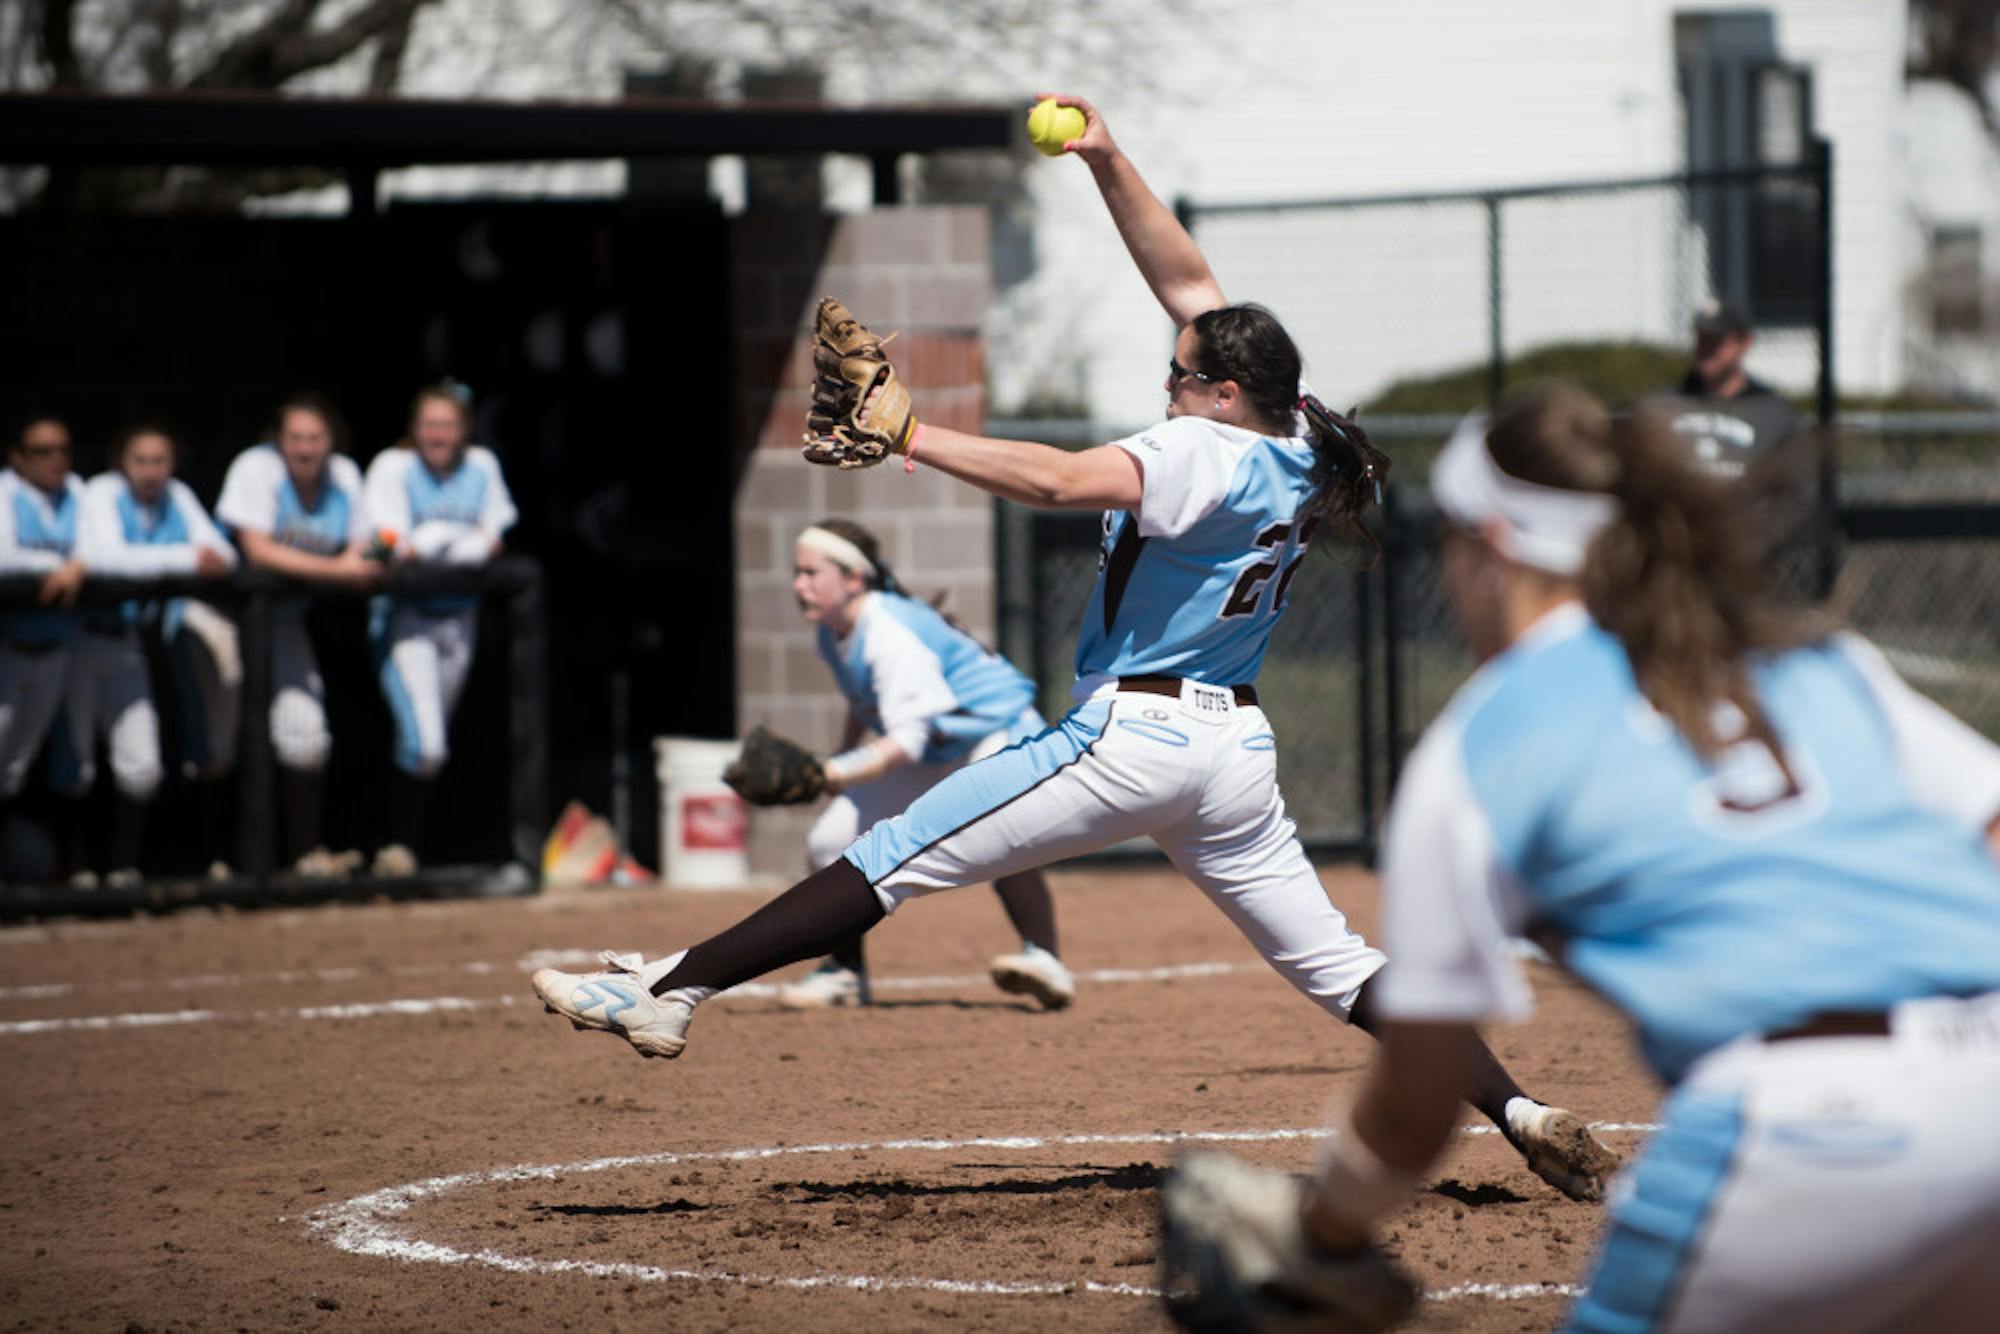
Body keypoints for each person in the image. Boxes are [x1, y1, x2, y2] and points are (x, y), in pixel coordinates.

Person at [530, 95, 1616, 1203]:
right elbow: (1192, 286)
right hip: (1231, 750)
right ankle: (1520, 1109)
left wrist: (909, 432)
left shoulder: (1203, 448)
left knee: (898, 846)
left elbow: (1054, 480)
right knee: (1337, 963)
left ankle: (670, 986)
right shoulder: (1296, 432)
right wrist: (1104, 159)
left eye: (1180, 375)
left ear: (1221, 392)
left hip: (1134, 731)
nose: (1166, 382)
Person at [1157, 386, 2000, 1334]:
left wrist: (1324, 1232)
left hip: (1803, 1130)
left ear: (1496, 546)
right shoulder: (1811, 659)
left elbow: (1422, 1090)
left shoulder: (1481, 746)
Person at [769, 517, 1072, 1011]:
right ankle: (845, 973)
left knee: (1002, 836)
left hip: (994, 732)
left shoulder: (888, 631)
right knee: (828, 843)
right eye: (796, 573)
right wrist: (840, 764)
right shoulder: (832, 632)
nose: (799, 585)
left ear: (853, 579)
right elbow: (866, 702)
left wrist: (834, 772)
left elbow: (905, 743)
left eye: (811, 572)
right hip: (939, 743)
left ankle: (1046, 959)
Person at [215, 393, 380, 878]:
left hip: (284, 621)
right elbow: (257, 552)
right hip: (222, 615)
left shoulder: (344, 476)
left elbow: (364, 549)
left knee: (306, 740)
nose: (305, 448)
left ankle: (304, 855)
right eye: (295, 437)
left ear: (331, 441)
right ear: (277, 440)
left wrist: (373, 558)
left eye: (315, 437)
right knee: (215, 746)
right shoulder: (256, 468)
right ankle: (214, 860)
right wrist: (338, 571)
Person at [70, 424, 238, 885]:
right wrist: (185, 560)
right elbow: (106, 560)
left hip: (129, 643)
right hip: (81, 642)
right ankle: (78, 870)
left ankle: (123, 869)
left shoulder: (177, 496)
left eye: (159, 460)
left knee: (142, 767)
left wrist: (181, 558)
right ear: (122, 461)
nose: (150, 471)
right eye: (140, 460)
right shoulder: (101, 492)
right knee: (74, 765)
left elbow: (223, 554)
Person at [362, 382, 517, 878]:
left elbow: (492, 540)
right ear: (414, 427)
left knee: (432, 745)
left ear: (463, 429)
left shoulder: (482, 466)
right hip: (407, 619)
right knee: (425, 744)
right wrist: (453, 543)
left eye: (447, 424)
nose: (438, 434)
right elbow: (394, 545)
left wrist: (442, 543)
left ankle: (405, 847)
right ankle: (395, 844)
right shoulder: (393, 467)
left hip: (459, 619)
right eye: (429, 424)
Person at [1649, 297, 1820, 599]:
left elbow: (1796, 495)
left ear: (1744, 343)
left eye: (1717, 341)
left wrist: (1754, 543)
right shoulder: (1662, 407)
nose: (1707, 349)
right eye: (1701, 339)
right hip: (1675, 567)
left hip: (1747, 572)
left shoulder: (1774, 415)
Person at [0, 416, 88, 882]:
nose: (57, 460)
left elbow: (101, 547)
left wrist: (79, 564)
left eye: (63, 450)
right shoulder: (5, 493)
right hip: (8, 649)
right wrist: (60, 563)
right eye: (43, 451)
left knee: (16, 771)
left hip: (57, 648)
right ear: (17, 457)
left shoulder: (76, 492)